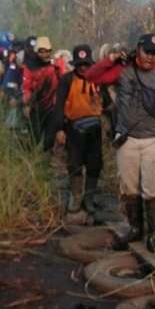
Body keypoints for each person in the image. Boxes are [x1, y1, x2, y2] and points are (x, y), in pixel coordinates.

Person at [85, 33, 155, 252]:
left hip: (154, 139)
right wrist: (110, 59)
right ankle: (134, 229)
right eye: (147, 51)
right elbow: (92, 76)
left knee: (154, 188)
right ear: (138, 49)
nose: (151, 57)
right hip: (127, 138)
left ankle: (153, 235)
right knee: (129, 187)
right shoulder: (123, 70)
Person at [53, 45, 107, 223]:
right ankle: (76, 198)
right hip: (74, 129)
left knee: (94, 164)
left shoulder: (98, 80)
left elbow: (107, 102)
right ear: (75, 64)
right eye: (80, 64)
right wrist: (59, 129)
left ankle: (89, 198)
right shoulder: (67, 80)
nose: (83, 68)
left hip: (94, 129)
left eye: (86, 64)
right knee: (74, 164)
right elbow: (59, 105)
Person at [21, 36, 62, 151]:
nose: (44, 55)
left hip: (52, 108)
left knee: (49, 138)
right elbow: (26, 87)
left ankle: (46, 161)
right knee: (34, 138)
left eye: (46, 52)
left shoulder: (56, 64)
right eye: (41, 52)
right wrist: (27, 104)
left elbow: (63, 80)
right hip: (36, 107)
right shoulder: (29, 67)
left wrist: (57, 67)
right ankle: (31, 160)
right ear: (36, 52)